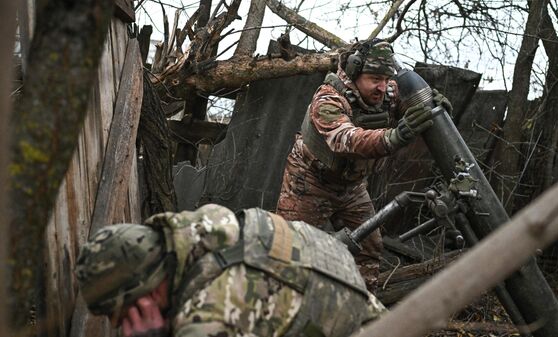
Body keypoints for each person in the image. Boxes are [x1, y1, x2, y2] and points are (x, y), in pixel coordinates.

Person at [276, 39, 452, 292]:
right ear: (355, 72)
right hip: (310, 182)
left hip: (352, 187)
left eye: (386, 78)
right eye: (374, 79)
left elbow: (411, 105)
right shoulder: (328, 99)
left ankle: (360, 308)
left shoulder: (387, 90)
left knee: (369, 248)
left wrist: (430, 105)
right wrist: (393, 137)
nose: (382, 87)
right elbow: (346, 139)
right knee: (288, 249)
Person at [75, 204, 386, 337]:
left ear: (143, 296)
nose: (119, 327)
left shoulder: (207, 319)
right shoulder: (211, 227)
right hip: (375, 316)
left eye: (119, 315)